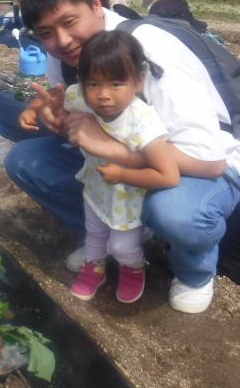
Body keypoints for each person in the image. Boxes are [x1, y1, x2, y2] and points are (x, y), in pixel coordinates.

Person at [6, 0, 240, 314]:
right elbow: (86, 125)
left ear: (94, 3)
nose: (61, 41)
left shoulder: (148, 50)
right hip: (127, 163)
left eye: (69, 22)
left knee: (176, 214)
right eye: (46, 32)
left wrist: (108, 148)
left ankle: (194, 271)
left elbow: (210, 163)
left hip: (202, 165)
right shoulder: (64, 57)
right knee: (25, 161)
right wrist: (59, 122)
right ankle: (111, 236)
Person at [62, 31, 179, 303]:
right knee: (94, 234)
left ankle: (133, 266)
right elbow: (67, 102)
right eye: (93, 84)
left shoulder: (142, 121)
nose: (103, 95)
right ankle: (95, 267)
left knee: (121, 245)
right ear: (81, 81)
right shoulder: (81, 96)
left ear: (137, 81)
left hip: (128, 199)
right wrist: (39, 106)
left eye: (116, 84)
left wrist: (123, 174)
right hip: (96, 190)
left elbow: (169, 175)